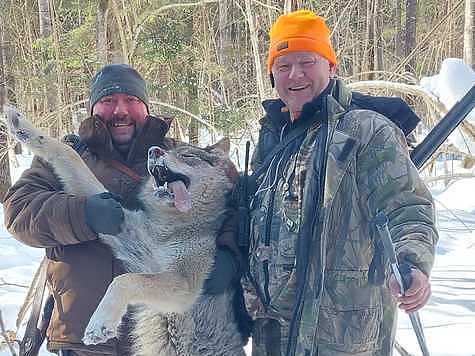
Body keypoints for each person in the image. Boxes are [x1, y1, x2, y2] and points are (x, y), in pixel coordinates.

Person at [3, 64, 239, 356]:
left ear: (145, 106)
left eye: (131, 100)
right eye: (108, 101)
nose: (120, 111)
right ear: (92, 109)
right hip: (85, 339)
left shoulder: (175, 157)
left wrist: (228, 254)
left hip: (172, 341)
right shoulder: (77, 152)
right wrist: (82, 214)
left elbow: (230, 202)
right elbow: (19, 211)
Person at [243, 10, 438, 356]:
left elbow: (407, 207)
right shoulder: (271, 141)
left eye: (307, 62)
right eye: (283, 65)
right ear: (272, 73)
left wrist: (411, 264)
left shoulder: (365, 131)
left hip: (340, 339)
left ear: (331, 67)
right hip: (273, 336)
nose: (295, 74)